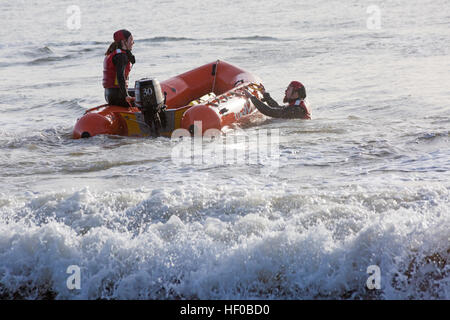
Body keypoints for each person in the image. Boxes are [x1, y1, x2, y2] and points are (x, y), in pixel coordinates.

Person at [103, 29, 136, 108]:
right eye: (131, 40)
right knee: (147, 93)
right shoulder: (121, 57)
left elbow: (132, 60)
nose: (133, 43)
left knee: (139, 90)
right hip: (118, 96)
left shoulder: (114, 53)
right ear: (123, 41)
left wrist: (128, 52)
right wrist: (126, 95)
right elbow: (120, 76)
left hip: (109, 94)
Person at [245, 81, 311, 119]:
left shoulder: (297, 109)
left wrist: (251, 97)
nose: (286, 91)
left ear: (296, 93)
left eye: (288, 89)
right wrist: (264, 93)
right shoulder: (297, 104)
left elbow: (270, 112)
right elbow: (277, 108)